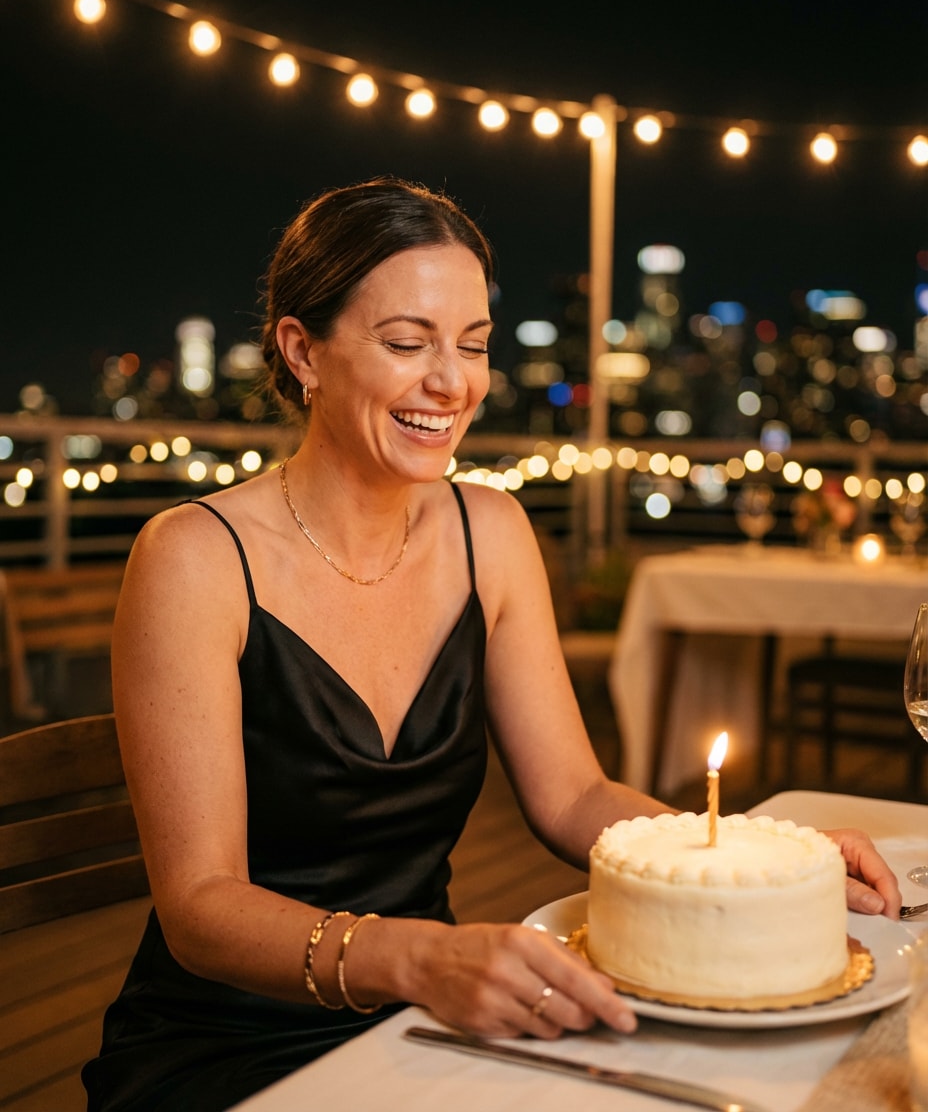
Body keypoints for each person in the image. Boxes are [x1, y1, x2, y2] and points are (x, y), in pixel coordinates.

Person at [82, 176, 902, 1112]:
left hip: (429, 1021)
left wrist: (766, 862)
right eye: (406, 343)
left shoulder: (493, 532)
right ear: (301, 350)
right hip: (228, 1044)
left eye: (473, 346)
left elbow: (575, 796)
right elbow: (200, 908)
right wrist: (421, 958)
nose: (453, 383)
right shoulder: (194, 558)